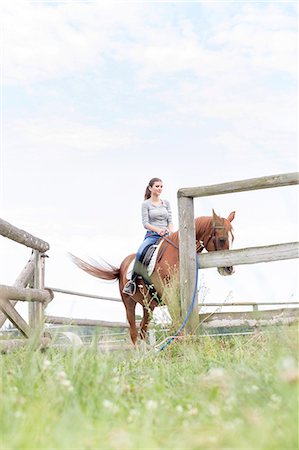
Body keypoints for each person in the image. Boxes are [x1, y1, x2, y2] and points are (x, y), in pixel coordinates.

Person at [122, 177, 174, 296]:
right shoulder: (146, 204)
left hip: (167, 235)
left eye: (161, 186)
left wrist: (171, 231)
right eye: (157, 186)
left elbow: (170, 220)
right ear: (150, 188)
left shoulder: (166, 203)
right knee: (140, 252)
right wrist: (158, 230)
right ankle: (132, 282)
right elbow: (146, 223)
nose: (160, 189)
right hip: (152, 235)